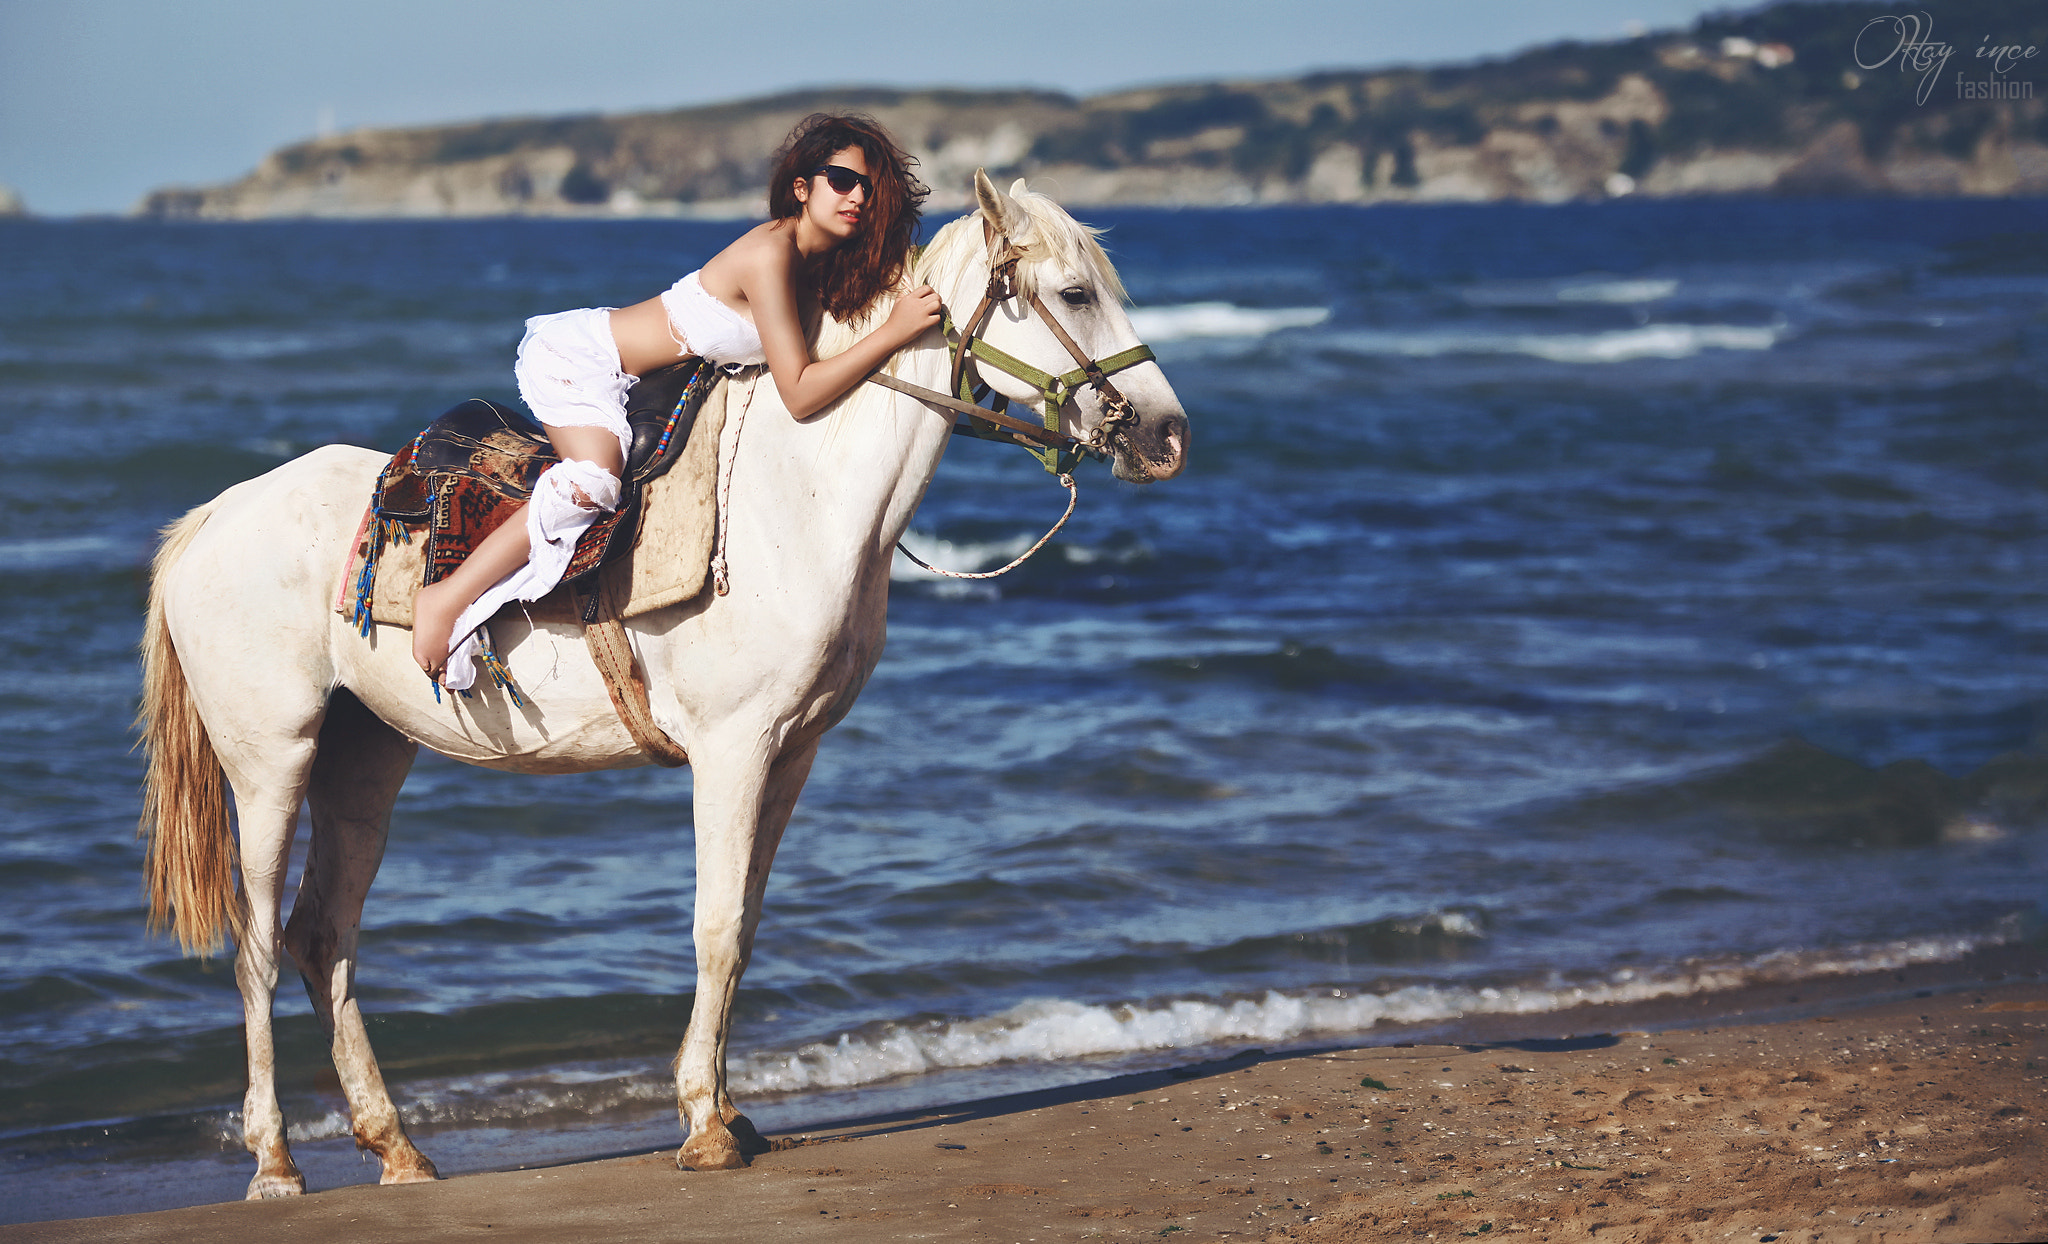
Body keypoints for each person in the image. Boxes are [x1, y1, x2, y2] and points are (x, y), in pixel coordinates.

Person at [413, 113, 941, 689]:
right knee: (594, 479)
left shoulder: (816, 266)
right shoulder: (772, 254)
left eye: (870, 186)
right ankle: (446, 598)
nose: (858, 195)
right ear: (802, 187)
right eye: (841, 179)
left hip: (629, 374)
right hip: (580, 360)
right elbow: (798, 391)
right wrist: (894, 332)